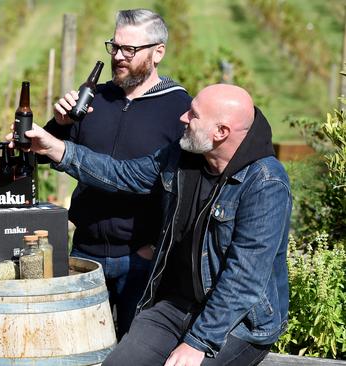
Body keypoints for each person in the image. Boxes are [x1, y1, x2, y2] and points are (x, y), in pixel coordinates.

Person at [16, 84, 291, 366]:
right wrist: (57, 149)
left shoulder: (265, 183)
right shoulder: (181, 157)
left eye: (193, 115)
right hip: (175, 305)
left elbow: (243, 280)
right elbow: (122, 174)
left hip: (238, 322)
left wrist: (197, 342)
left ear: (221, 132)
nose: (182, 118)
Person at [44, 8, 190, 337]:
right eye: (115, 46)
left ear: (158, 52)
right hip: (84, 252)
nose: (119, 57)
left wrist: (153, 246)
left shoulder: (178, 109)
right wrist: (60, 124)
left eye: (130, 50)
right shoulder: (96, 97)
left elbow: (184, 188)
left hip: (140, 259)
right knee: (74, 346)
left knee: (133, 352)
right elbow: (45, 154)